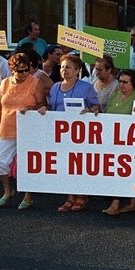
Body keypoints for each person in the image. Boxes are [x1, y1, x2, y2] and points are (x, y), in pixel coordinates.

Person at [45, 53, 100, 212]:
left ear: (77, 70)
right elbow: (51, 108)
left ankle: (82, 195)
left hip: (80, 135)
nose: (64, 70)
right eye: (62, 67)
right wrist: (44, 109)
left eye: (68, 67)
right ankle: (70, 196)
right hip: (60, 134)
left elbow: (97, 107)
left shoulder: (86, 87)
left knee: (79, 165)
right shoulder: (55, 87)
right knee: (65, 165)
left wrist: (89, 110)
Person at [0, 51, 46, 210]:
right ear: (12, 70)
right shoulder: (5, 83)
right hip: (6, 129)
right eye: (20, 70)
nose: (24, 74)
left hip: (28, 130)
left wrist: (30, 108)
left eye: (27, 69)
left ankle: (28, 196)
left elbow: (42, 104)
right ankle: (8, 191)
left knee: (26, 164)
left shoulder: (35, 83)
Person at [101, 70, 135, 216]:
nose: (121, 84)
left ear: (133, 83)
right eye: (120, 81)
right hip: (113, 140)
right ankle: (132, 203)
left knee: (124, 172)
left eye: (125, 82)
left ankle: (116, 203)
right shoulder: (115, 95)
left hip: (132, 142)